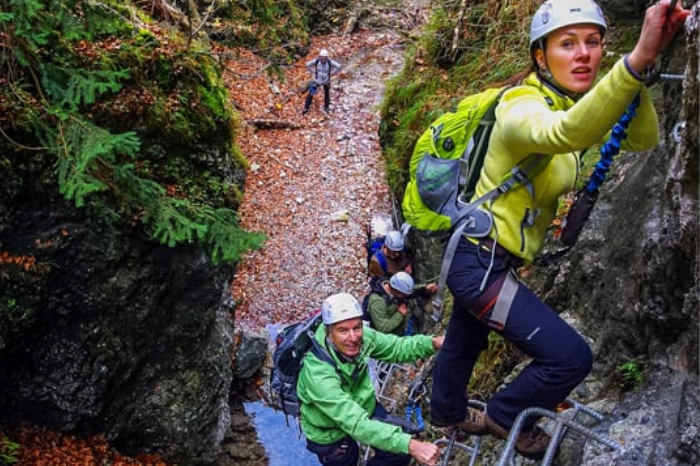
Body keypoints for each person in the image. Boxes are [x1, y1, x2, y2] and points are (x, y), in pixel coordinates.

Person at [429, 0, 688, 460]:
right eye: (567, 44)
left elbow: (642, 138)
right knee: (571, 357)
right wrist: (636, 61)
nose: (584, 54)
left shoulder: (565, 101)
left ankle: (445, 410)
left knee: (465, 341)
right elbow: (564, 134)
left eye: (593, 42)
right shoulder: (520, 105)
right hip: (479, 262)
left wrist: (639, 76)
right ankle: (505, 414)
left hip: (488, 259)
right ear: (540, 56)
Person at [297, 292, 444, 466]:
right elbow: (356, 423)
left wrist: (433, 343)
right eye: (343, 330)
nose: (353, 337)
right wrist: (412, 446)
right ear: (329, 333)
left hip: (364, 405)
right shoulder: (318, 374)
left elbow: (396, 347)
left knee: (398, 452)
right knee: (348, 459)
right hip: (329, 431)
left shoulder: (362, 336)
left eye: (357, 327)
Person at [366, 272, 437, 336]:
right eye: (404, 294)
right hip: (387, 339)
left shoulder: (394, 286)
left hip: (401, 329)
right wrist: (400, 314)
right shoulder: (377, 301)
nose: (406, 296)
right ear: (396, 291)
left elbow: (410, 291)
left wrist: (425, 288)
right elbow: (383, 328)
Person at [302, 48, 342, 115]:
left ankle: (326, 107)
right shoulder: (317, 61)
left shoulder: (330, 62)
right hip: (317, 81)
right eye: (322, 58)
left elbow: (339, 67)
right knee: (311, 93)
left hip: (326, 81)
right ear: (320, 57)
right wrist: (314, 72)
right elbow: (307, 64)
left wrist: (331, 73)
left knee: (327, 94)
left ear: (327, 57)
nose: (323, 59)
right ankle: (306, 108)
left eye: (324, 58)